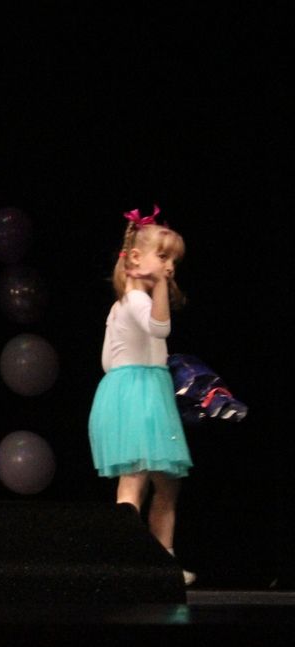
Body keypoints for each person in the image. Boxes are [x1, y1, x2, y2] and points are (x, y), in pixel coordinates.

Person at [87, 208, 194, 584]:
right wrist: (161, 286)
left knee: (164, 483)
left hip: (138, 392)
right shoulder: (135, 300)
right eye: (162, 257)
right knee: (135, 482)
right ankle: (130, 563)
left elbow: (107, 360)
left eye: (173, 261)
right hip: (139, 396)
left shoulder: (121, 305)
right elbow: (160, 328)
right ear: (135, 258)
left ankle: (160, 563)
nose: (169, 267)